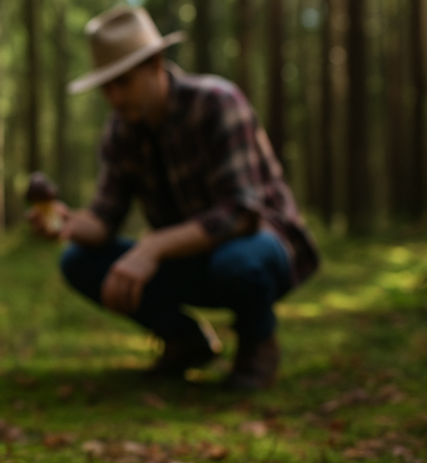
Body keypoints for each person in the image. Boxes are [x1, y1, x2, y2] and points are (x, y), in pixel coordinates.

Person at [28, 7, 319, 390]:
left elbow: (242, 214)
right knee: (79, 260)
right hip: (187, 257)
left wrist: (153, 247)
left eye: (123, 82)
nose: (114, 97)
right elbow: (104, 218)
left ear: (155, 64)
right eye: (106, 86)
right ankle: (185, 340)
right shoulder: (121, 131)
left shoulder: (216, 102)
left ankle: (258, 342)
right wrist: (68, 225)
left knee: (238, 261)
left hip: (261, 247)